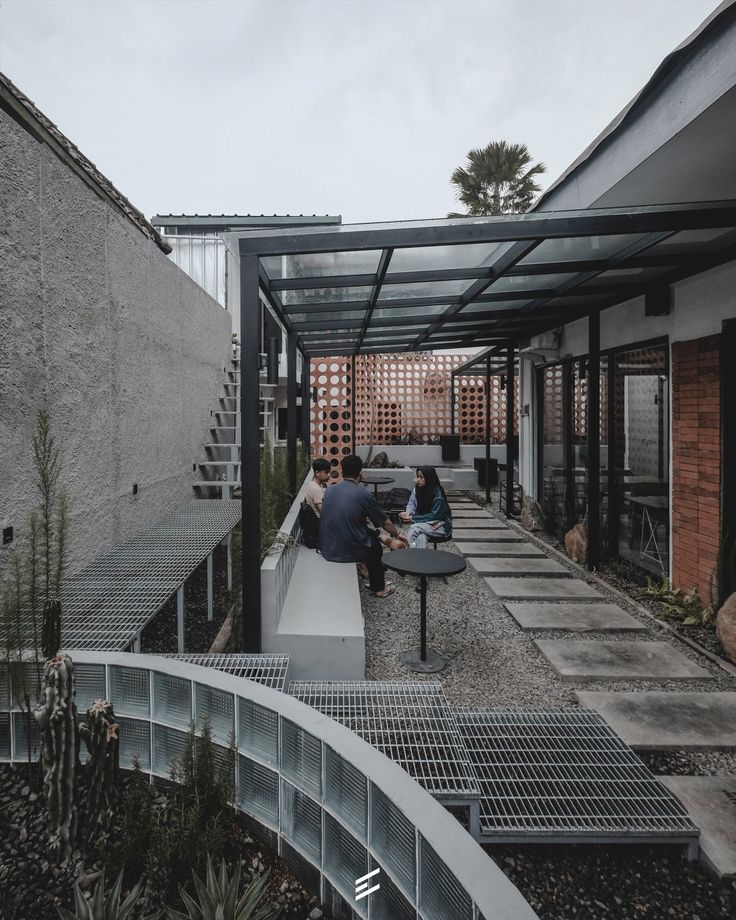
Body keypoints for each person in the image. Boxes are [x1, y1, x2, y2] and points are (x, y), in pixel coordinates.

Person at [320, 454, 407, 597]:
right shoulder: (364, 495)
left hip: (328, 546)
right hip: (345, 551)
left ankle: (381, 547)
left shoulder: (329, 490)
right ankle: (379, 588)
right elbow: (385, 522)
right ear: (360, 473)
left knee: (361, 527)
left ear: (342, 472)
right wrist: (397, 533)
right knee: (375, 548)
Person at [399, 466, 453, 548]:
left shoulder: (438, 492)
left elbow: (436, 515)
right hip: (424, 525)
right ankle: (420, 559)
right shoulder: (417, 489)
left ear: (429, 478)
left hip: (440, 525)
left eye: (421, 477)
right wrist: (408, 512)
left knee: (414, 528)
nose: (418, 480)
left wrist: (413, 518)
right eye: (417, 476)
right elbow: (412, 503)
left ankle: (407, 554)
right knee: (421, 537)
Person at [300, 457, 331, 549]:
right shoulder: (316, 489)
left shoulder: (313, 485)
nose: (329, 475)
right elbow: (324, 512)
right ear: (317, 473)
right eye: (326, 472)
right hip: (319, 526)